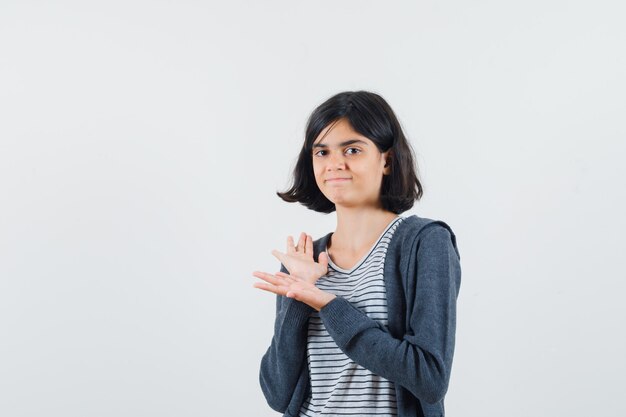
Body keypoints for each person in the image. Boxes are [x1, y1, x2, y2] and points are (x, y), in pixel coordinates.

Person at [252, 90, 462, 417]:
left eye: (352, 149)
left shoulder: (423, 243)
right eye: (321, 152)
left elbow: (429, 378)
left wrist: (328, 304)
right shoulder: (304, 259)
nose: (335, 163)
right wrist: (298, 296)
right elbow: (278, 393)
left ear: (387, 160)